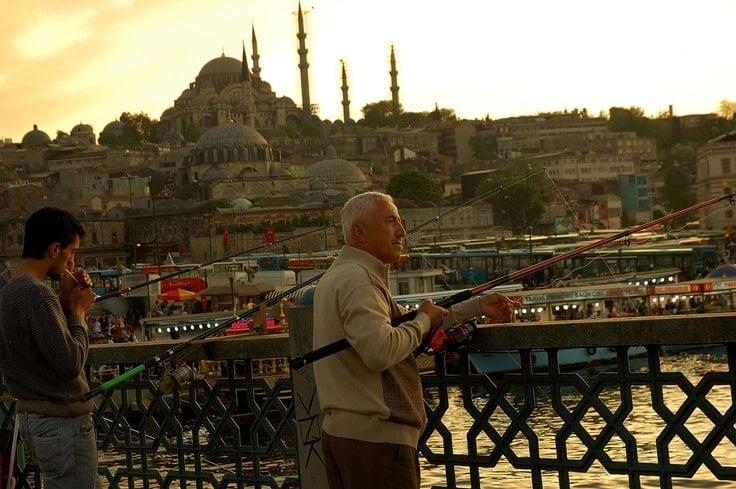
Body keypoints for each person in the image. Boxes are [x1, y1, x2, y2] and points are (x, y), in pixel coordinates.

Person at [312, 192, 516, 489]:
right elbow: (380, 350)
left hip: (344, 437)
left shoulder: (339, 276)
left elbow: (400, 327)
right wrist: (422, 321)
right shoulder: (360, 281)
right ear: (359, 231)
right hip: (376, 443)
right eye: (391, 221)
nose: (402, 231)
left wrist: (475, 307)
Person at [0, 207, 100, 488]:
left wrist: (64, 299)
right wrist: (78, 311)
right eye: (72, 252)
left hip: (34, 420)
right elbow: (69, 363)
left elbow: (33, 334)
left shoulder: (6, 284)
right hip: (62, 425)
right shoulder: (36, 292)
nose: (73, 260)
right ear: (55, 249)